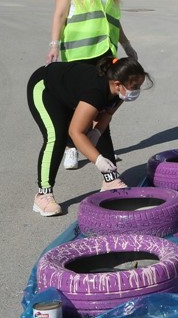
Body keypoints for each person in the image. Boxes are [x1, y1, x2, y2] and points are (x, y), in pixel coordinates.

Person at [47, 0, 138, 170]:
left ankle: (101, 148)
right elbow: (59, 15)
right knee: (79, 104)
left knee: (105, 101)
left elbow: (113, 20)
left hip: (105, 51)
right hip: (78, 52)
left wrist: (126, 45)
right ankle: (70, 147)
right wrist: (54, 45)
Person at [27, 57, 152, 217]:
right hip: (45, 88)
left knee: (103, 130)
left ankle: (110, 180)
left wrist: (97, 132)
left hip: (70, 91)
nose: (137, 91)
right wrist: (98, 160)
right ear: (117, 84)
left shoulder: (118, 91)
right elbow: (75, 132)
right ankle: (43, 195)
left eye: (139, 86)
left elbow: (107, 114)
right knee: (56, 136)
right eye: (134, 86)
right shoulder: (96, 92)